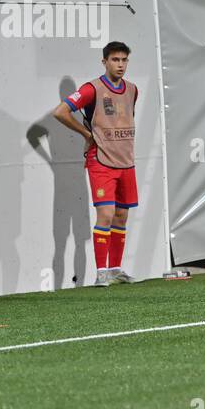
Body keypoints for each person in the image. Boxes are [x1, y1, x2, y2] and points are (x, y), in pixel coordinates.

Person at [52, 42, 139, 286]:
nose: (120, 64)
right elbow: (60, 112)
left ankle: (115, 269)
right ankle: (101, 273)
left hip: (126, 161)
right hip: (101, 160)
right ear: (104, 62)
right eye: (115, 60)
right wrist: (86, 134)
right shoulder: (92, 89)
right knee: (106, 214)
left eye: (124, 60)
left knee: (121, 216)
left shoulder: (132, 89)